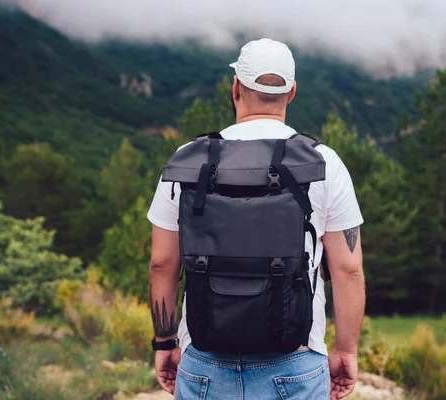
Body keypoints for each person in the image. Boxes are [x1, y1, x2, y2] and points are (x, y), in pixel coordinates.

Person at [147, 37, 366, 400]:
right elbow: (348, 269)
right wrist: (346, 350)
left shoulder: (187, 160)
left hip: (203, 363)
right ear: (291, 92)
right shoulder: (324, 162)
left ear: (235, 88)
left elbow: (161, 264)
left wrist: (164, 342)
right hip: (295, 362)